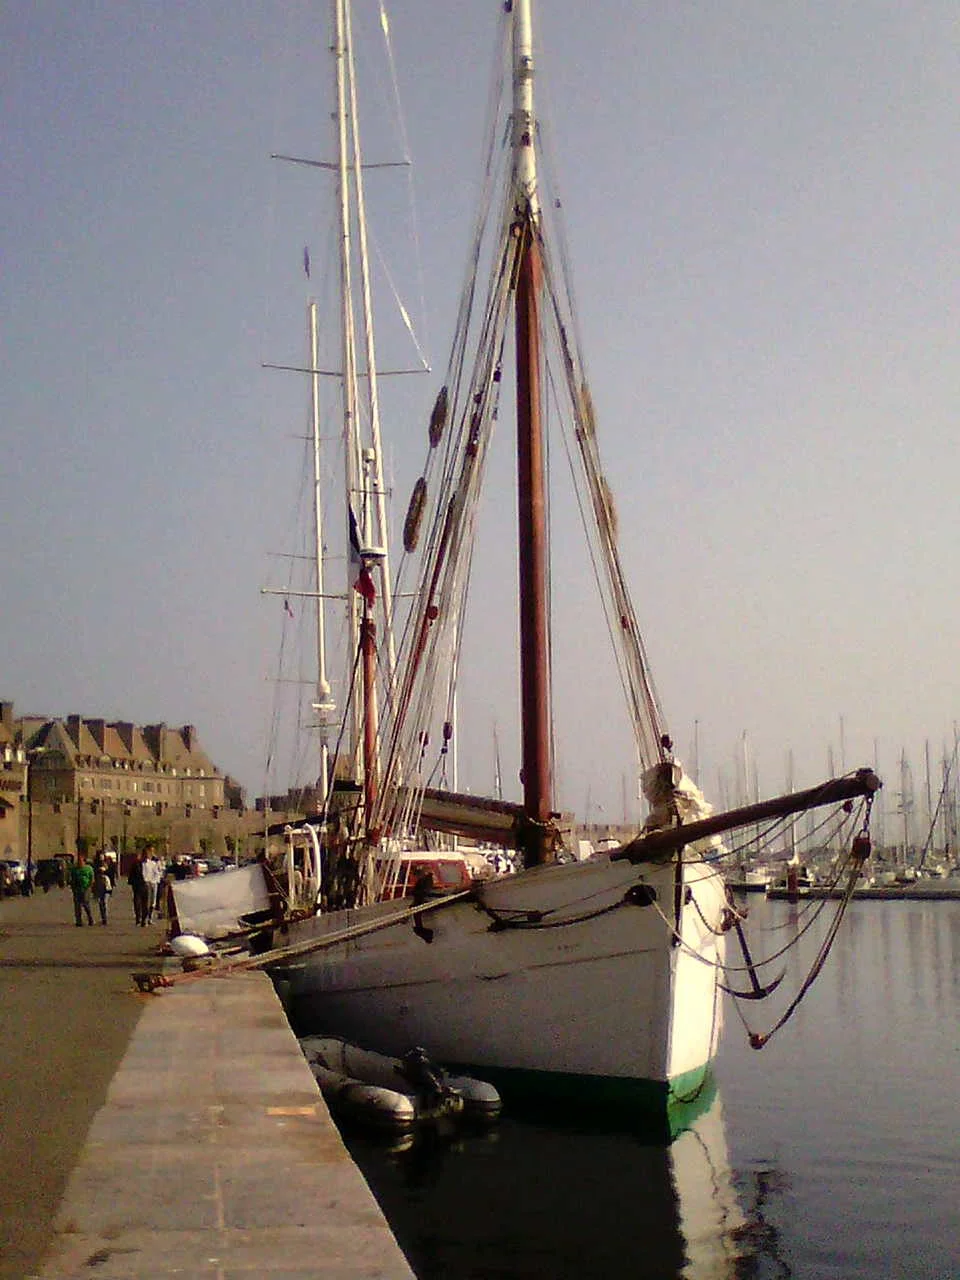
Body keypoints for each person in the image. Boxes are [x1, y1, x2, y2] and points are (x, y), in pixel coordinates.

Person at [69, 853, 95, 927]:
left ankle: (90, 919)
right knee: (77, 906)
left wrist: (90, 887)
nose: (79, 863)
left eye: (81, 861)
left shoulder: (89, 869)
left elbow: (92, 878)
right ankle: (78, 921)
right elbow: (71, 878)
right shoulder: (74, 869)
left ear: (84, 861)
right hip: (77, 888)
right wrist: (72, 887)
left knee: (86, 904)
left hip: (86, 888)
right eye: (78, 861)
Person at [127, 850, 151, 927]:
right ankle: (138, 918)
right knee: (137, 902)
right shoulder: (136, 864)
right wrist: (133, 883)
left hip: (146, 885)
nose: (146, 857)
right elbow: (132, 874)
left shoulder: (150, 864)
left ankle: (144, 919)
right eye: (145, 855)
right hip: (137, 885)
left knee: (145, 904)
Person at [92, 851, 111, 926]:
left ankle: (104, 918)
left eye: (102, 856)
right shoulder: (95, 865)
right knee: (100, 902)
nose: (101, 857)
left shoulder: (107, 864)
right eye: (100, 856)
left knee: (104, 902)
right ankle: (103, 918)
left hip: (106, 886)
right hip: (99, 885)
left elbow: (111, 874)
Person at [143, 851, 162, 923]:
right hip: (148, 883)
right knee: (147, 901)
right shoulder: (145, 864)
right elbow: (144, 874)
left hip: (154, 883)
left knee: (153, 901)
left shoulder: (154, 863)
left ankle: (150, 917)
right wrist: (146, 881)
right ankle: (146, 918)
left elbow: (158, 872)